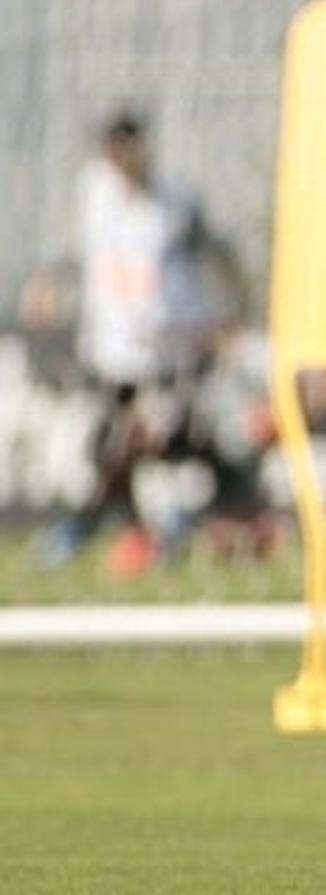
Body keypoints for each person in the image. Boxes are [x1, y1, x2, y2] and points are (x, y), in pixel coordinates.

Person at [38, 112, 241, 570]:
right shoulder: (94, 194)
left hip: (168, 357)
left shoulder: (174, 202)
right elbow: (82, 251)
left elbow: (214, 254)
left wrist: (227, 315)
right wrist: (51, 280)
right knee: (112, 449)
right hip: (113, 357)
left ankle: (103, 528)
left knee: (142, 439)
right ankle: (144, 532)